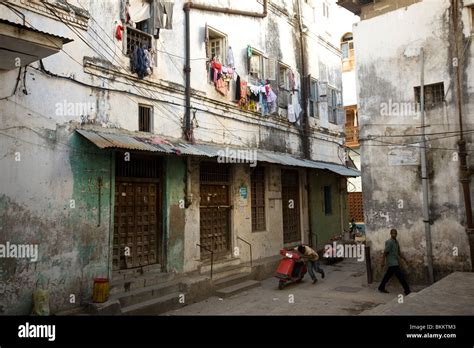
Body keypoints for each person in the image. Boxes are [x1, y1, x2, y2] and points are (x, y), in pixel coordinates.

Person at [378, 228, 411, 295]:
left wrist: (405, 259)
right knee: (401, 277)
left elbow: (399, 252)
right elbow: (385, 252)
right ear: (390, 234)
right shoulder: (390, 242)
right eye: (393, 233)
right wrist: (382, 261)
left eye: (395, 233)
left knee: (387, 276)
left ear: (396, 234)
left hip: (395, 261)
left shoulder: (396, 242)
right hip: (392, 262)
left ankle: (381, 287)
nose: (394, 234)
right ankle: (407, 290)